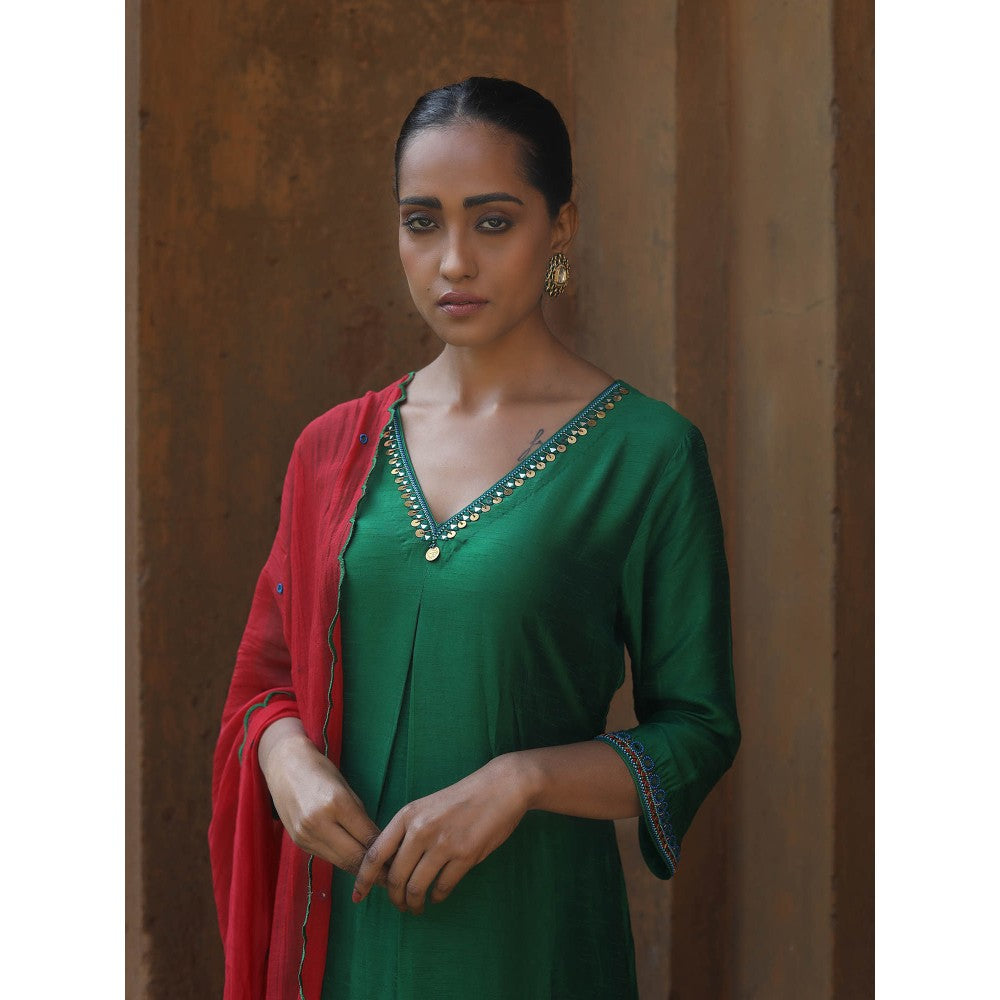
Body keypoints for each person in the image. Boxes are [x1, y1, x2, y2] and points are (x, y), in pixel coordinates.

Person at [210, 76, 740, 1000]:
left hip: (529, 941)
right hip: (342, 938)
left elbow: (696, 731)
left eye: (493, 223)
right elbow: (267, 681)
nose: (454, 261)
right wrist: (284, 758)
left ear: (559, 229)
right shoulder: (332, 451)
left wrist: (520, 781)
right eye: (423, 223)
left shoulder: (645, 454)